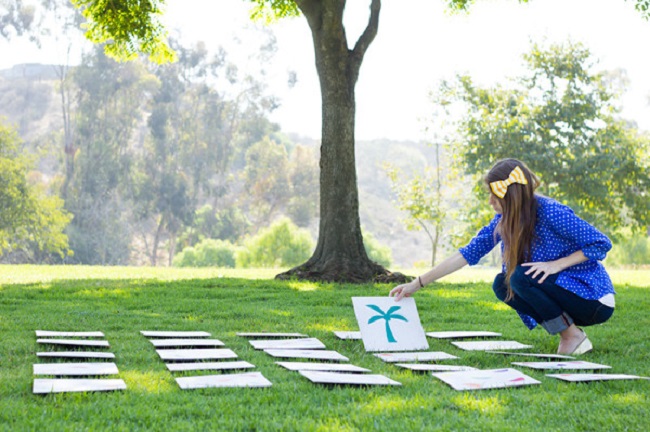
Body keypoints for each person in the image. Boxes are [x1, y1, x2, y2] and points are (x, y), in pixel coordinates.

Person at [389, 158, 615, 355]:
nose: (489, 201)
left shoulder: (551, 211)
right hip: (566, 295)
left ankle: (571, 337)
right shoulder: (503, 221)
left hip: (592, 298)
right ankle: (570, 332)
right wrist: (416, 284)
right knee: (502, 284)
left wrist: (556, 265)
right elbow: (464, 255)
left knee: (519, 277)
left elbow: (600, 243)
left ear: (511, 194)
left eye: (493, 194)